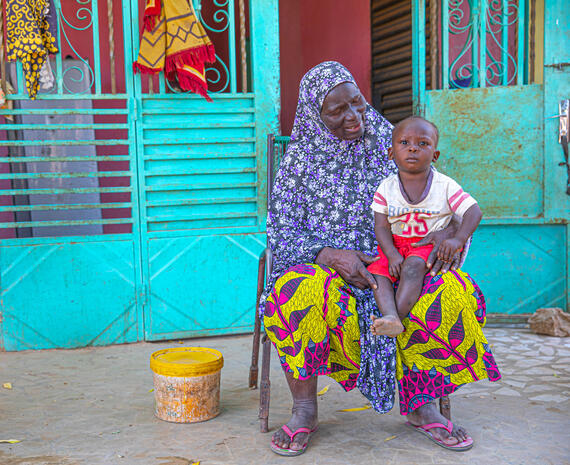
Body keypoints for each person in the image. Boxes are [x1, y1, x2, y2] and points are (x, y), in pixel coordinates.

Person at [260, 61, 501, 456]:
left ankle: (421, 405)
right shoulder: (298, 162)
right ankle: (304, 409)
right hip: (326, 266)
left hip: (399, 260)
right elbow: (282, 232)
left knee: (450, 294)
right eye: (337, 111)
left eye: (357, 102)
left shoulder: (392, 141)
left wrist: (446, 232)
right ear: (313, 115)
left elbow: (439, 198)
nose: (354, 117)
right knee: (293, 296)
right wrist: (329, 255)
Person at [368, 116, 483, 339]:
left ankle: (397, 319)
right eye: (404, 143)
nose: (413, 148)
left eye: (423, 143)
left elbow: (474, 211)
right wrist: (391, 255)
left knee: (412, 267)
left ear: (435, 155)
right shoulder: (386, 187)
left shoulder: (445, 185)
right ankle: (389, 314)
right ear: (392, 154)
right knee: (377, 275)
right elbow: (381, 226)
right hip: (395, 244)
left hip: (426, 244)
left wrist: (457, 240)